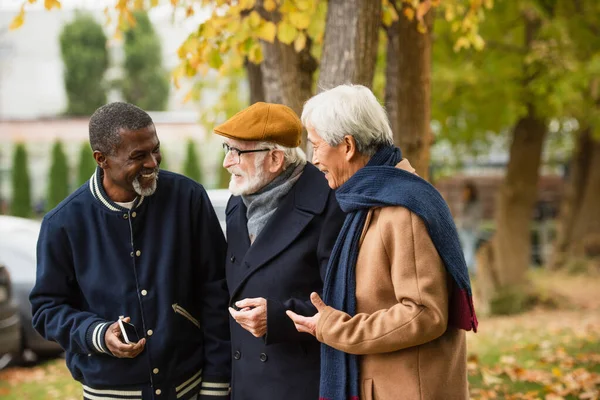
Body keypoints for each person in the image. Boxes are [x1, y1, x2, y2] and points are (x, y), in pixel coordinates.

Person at [286, 85, 478, 400]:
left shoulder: (402, 210)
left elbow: (423, 313)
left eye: (316, 146)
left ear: (347, 146)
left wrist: (336, 328)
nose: (314, 159)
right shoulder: (371, 199)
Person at [30, 102, 231, 400]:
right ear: (102, 159)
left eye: (155, 149)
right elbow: (47, 310)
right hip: (109, 391)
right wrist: (97, 334)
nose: (152, 162)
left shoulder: (189, 199)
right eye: (138, 156)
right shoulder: (63, 223)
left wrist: (216, 385)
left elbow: (217, 293)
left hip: (188, 385)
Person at [213, 102, 345, 400]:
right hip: (245, 381)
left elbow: (346, 300)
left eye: (237, 152)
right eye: (226, 149)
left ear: (274, 159)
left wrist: (279, 317)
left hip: (297, 381)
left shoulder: (329, 204)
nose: (227, 162)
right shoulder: (239, 201)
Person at [457, 181, 482, 274]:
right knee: (469, 249)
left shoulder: (476, 203)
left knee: (469, 249)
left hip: (472, 230)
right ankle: (474, 271)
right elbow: (460, 214)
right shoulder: (464, 202)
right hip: (463, 229)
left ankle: (467, 270)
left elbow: (474, 217)